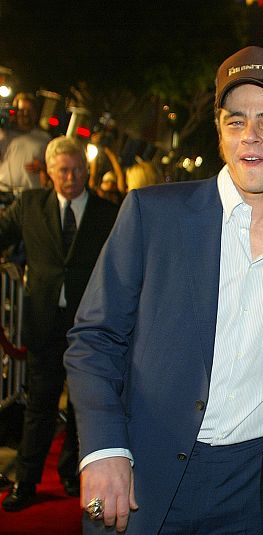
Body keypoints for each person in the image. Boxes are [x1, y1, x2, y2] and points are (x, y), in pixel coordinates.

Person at [63, 46, 263, 534]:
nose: (249, 136)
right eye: (235, 122)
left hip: (259, 489)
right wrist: (103, 449)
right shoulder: (152, 214)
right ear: (219, 132)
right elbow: (94, 339)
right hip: (144, 477)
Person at [0, 136, 118, 512]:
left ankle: (71, 472)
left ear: (87, 170)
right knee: (40, 405)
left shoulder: (107, 212)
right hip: (45, 323)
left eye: (78, 169)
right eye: (64, 170)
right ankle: (27, 480)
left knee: (85, 405)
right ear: (49, 173)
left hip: (92, 325)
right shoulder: (30, 205)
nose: (72, 177)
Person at [0, 93, 51, 193]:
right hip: (3, 191)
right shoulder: (3, 134)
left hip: (29, 194)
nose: (25, 114)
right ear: (15, 112)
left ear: (36, 114)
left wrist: (43, 168)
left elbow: (53, 167)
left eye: (30, 111)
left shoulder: (45, 138)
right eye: (21, 110)